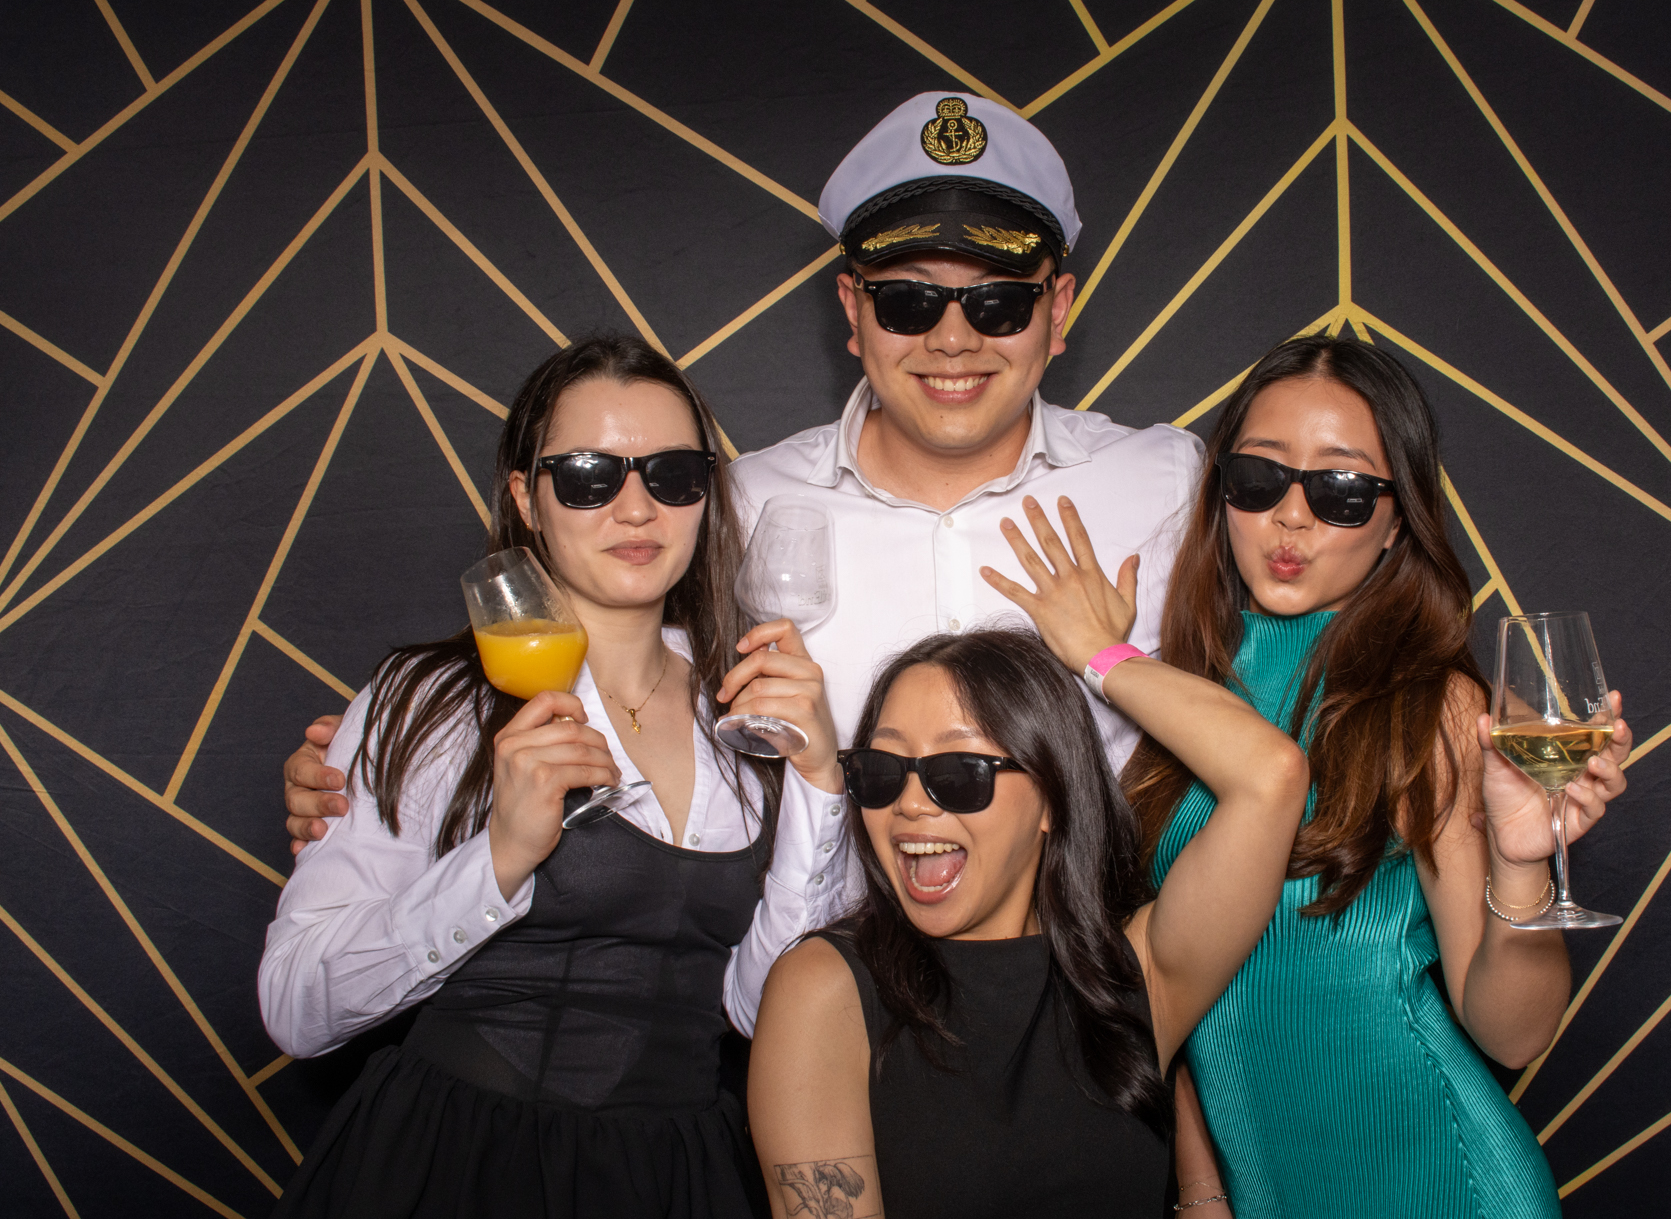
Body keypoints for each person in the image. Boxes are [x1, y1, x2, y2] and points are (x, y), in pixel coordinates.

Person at [281, 91, 1204, 865]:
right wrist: (392, 763)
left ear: (1058, 309)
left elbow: (1269, 707)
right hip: (826, 987)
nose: (953, 339)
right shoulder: (738, 503)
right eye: (908, 299)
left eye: (998, 302)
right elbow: (623, 680)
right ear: (852, 310)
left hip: (1109, 979)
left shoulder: (1169, 482)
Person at [254, 334, 850, 1219]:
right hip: (454, 1187)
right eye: (586, 476)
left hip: (667, 1198)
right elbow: (295, 1008)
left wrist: (821, 781)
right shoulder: (432, 701)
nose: (636, 508)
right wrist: (498, 859)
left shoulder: (745, 712)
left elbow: (757, 1013)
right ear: (526, 497)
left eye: (673, 474)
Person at [1144, 336, 1633, 1219]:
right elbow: (1168, 981)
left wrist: (1524, 863)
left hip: (1430, 1205)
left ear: (1395, 520)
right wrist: (1200, 1187)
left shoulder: (1434, 706)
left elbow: (1512, 1032)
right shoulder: (1179, 694)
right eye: (1259, 477)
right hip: (1264, 1213)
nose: (1290, 516)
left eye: (1339, 491)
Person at [746, 498, 1311, 1219]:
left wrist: (1100, 656)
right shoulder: (823, 991)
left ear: (1051, 796)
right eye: (881, 771)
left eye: (959, 774)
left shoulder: (1135, 976)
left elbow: (1271, 775)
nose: (911, 804)